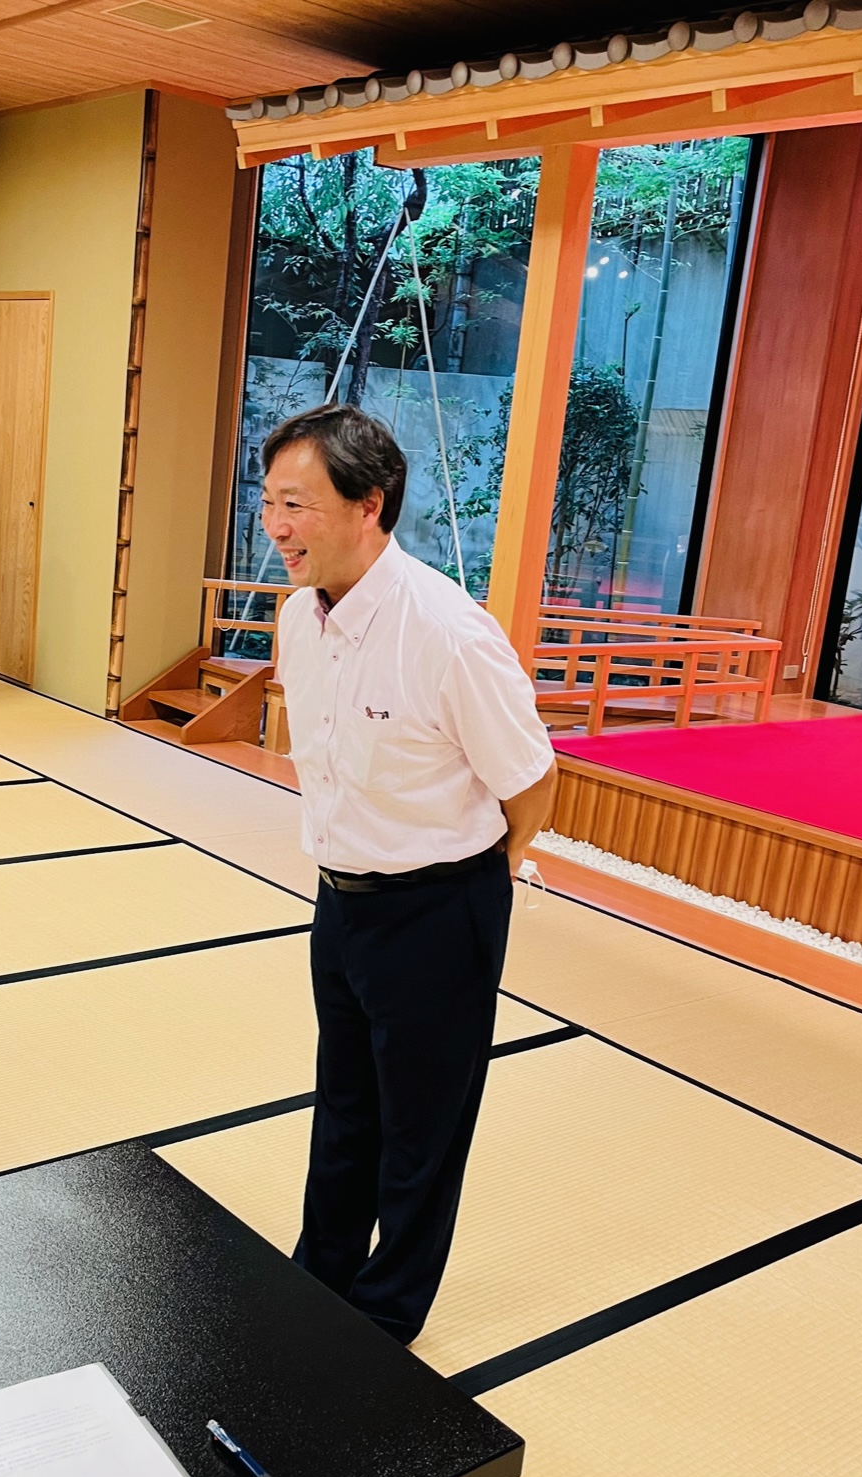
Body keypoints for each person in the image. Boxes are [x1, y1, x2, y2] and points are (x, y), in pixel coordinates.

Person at [265, 403, 557, 1346]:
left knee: (421, 1131)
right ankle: (320, 1277)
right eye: (269, 503)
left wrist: (486, 877)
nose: (277, 527)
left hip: (440, 907)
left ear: (370, 506)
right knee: (345, 1106)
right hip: (339, 900)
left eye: (298, 504)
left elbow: (531, 780)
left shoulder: (448, 632)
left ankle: (386, 1320)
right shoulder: (297, 620)